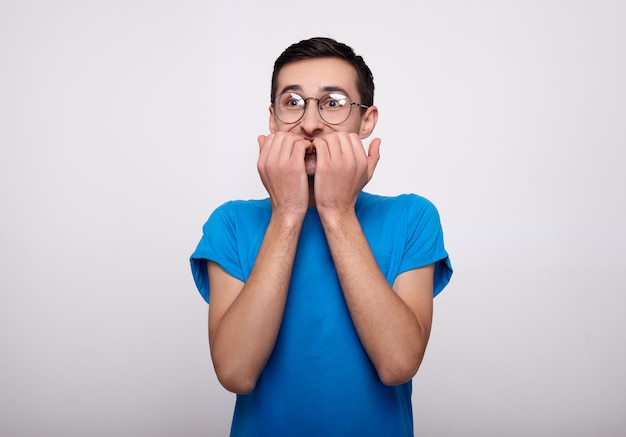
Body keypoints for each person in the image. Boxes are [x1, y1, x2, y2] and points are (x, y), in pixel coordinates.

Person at [190, 37, 452, 436]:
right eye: (292, 102)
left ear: (366, 121)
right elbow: (236, 372)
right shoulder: (231, 223)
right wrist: (287, 214)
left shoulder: (412, 217)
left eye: (332, 103)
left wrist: (337, 211)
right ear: (274, 120)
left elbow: (397, 364)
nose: (310, 123)